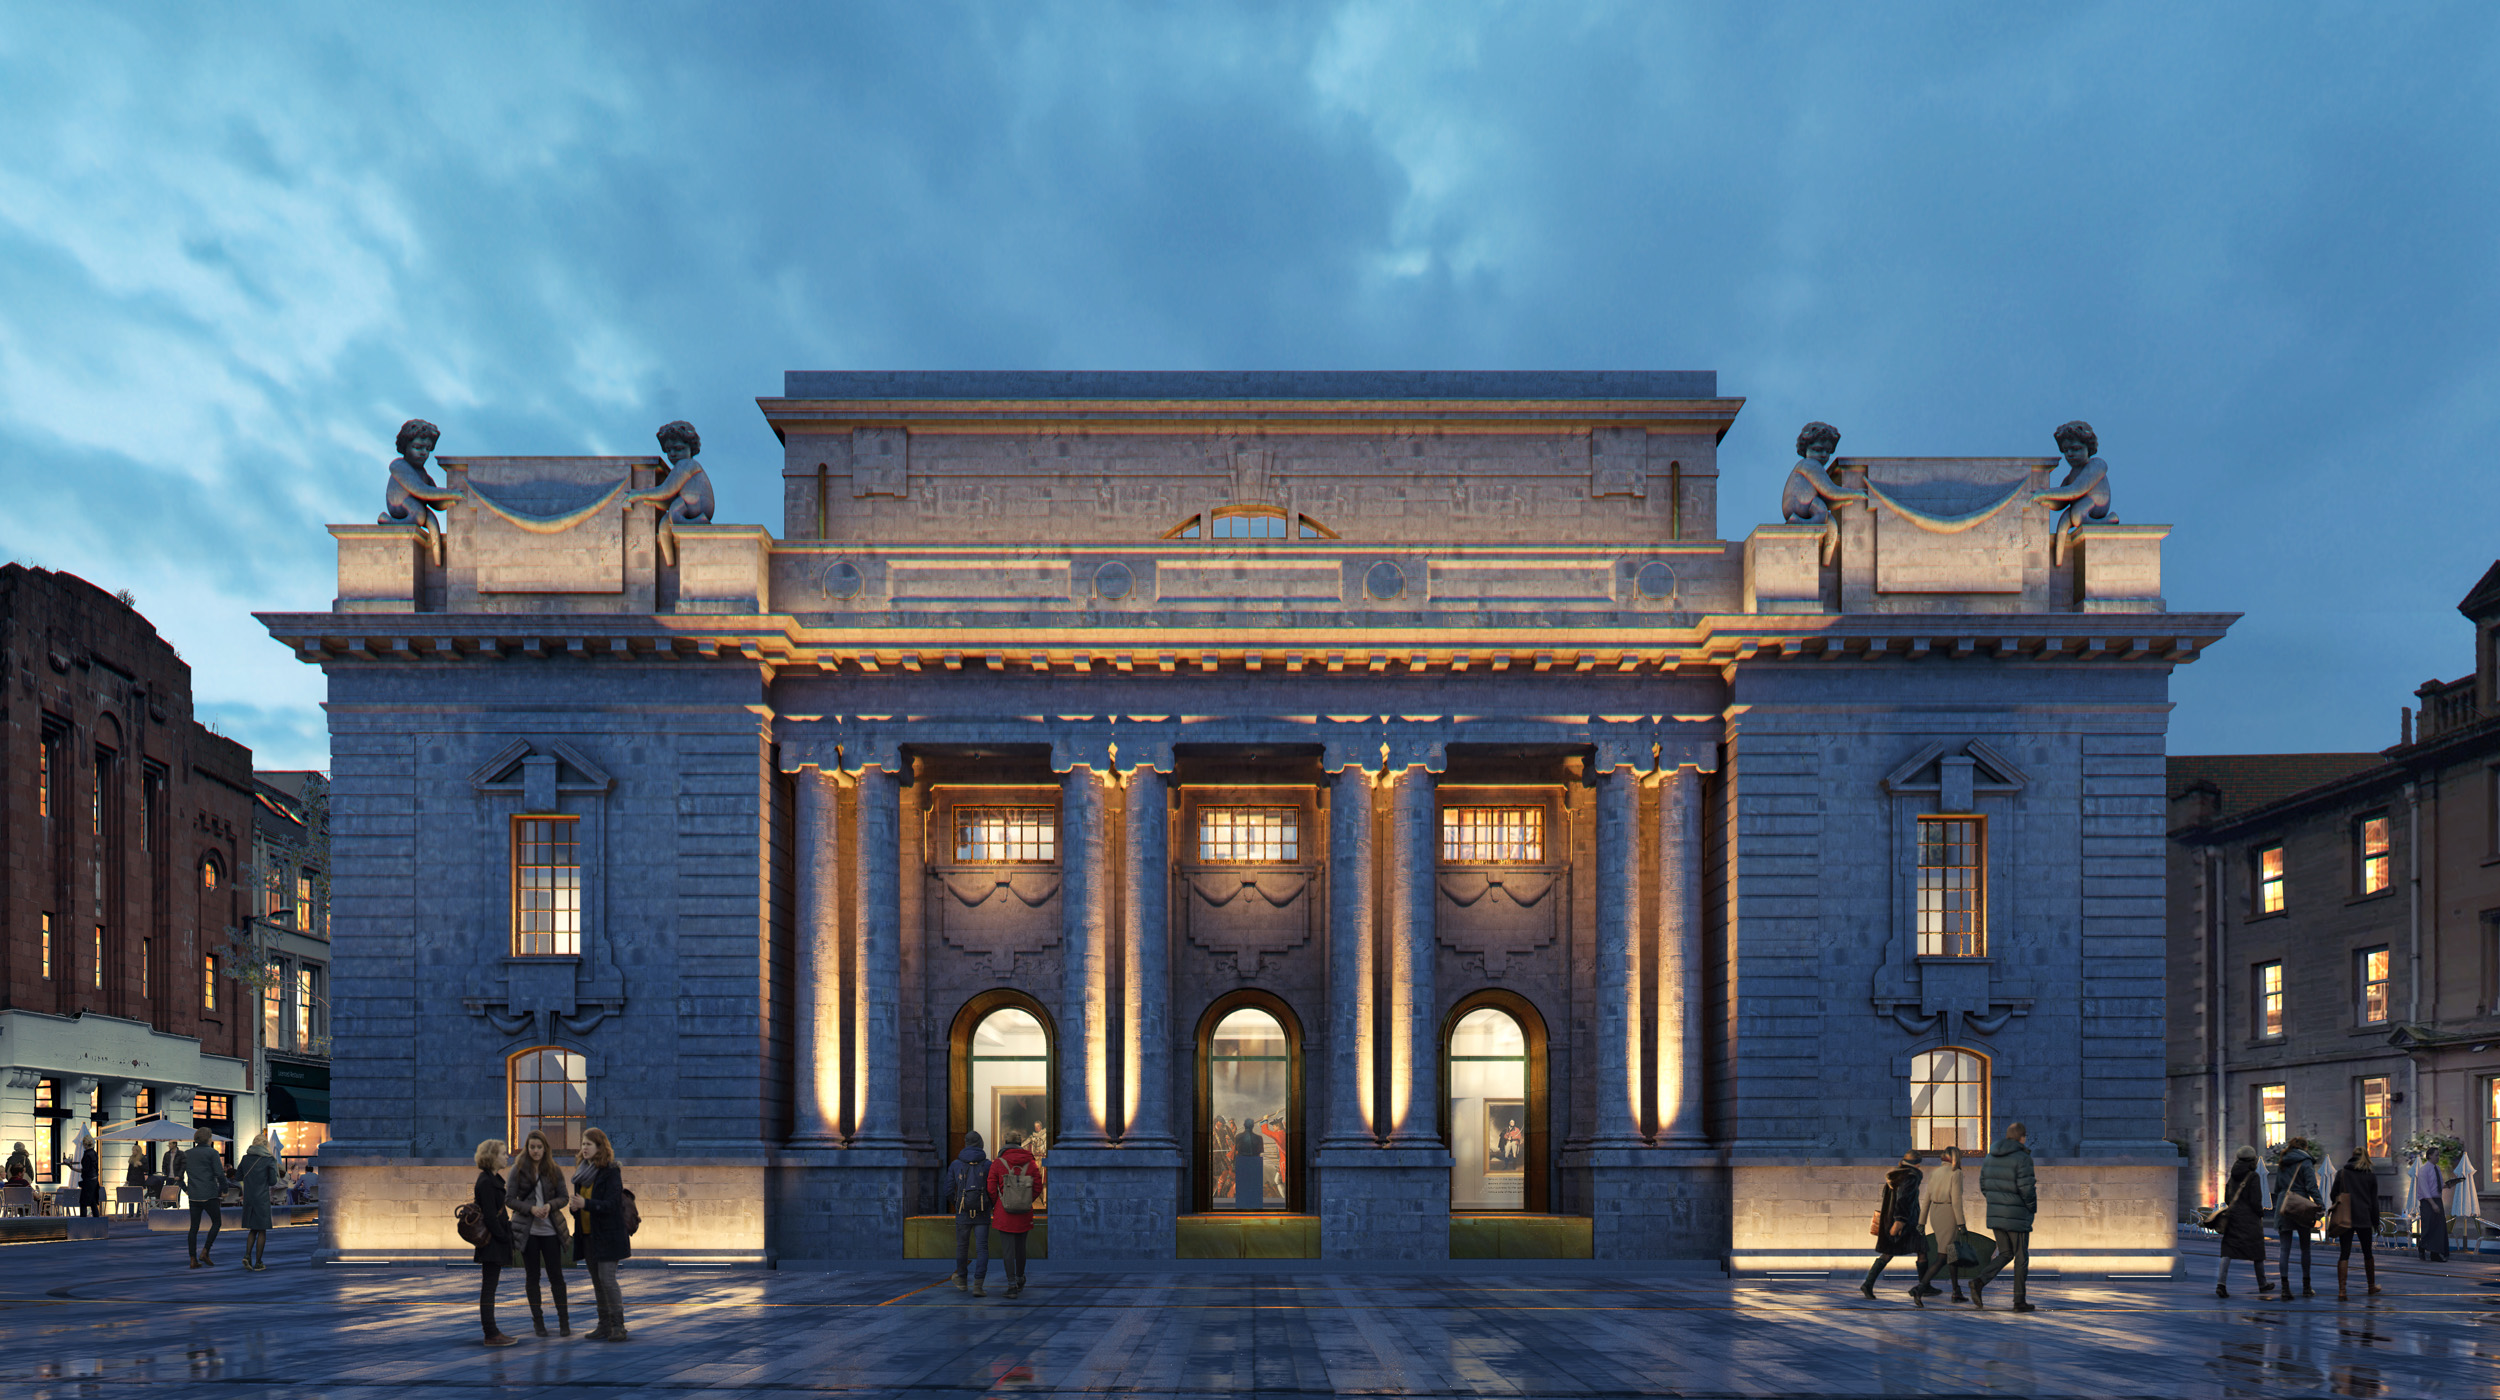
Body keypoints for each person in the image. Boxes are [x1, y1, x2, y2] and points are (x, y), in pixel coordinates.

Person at [505, 1129, 575, 1336]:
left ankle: (564, 1322)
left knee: (557, 1277)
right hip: (528, 1233)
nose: (536, 1151)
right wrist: (531, 1209)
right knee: (532, 1277)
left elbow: (564, 1197)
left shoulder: (554, 1169)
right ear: (527, 1149)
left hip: (550, 1231)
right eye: (532, 1147)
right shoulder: (517, 1170)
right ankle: (538, 1322)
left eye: (539, 1147)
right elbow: (509, 1199)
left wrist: (549, 1206)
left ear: (545, 1149)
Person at [1971, 1122, 2039, 1312]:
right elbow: (2027, 1188)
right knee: (2021, 1257)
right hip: (2016, 1215)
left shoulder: (1991, 1156)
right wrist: (2031, 1208)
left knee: (2005, 1253)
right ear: (2022, 1137)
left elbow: (1983, 1184)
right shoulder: (2022, 1157)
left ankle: (1979, 1282)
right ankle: (2019, 1301)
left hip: (1996, 1214)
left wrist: (1996, 1203)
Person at [575, 1128, 631, 1341]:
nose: (584, 1148)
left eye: (589, 1144)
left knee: (607, 1279)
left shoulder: (611, 1172)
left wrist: (585, 1204)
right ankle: (603, 1325)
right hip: (588, 1236)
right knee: (597, 1281)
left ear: (600, 1147)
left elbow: (611, 1204)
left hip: (608, 1236)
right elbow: (582, 1204)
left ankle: (619, 1326)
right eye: (582, 1144)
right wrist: (576, 1208)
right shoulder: (581, 1173)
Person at [986, 1130, 1046, 1300]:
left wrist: (999, 1202)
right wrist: (1026, 1200)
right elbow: (1037, 1187)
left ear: (1005, 1143)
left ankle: (1011, 1284)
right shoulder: (1031, 1162)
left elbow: (991, 1188)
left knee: (1007, 1251)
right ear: (1021, 1144)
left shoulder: (998, 1163)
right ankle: (1020, 1278)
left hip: (1004, 1213)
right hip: (1024, 1213)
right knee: (1021, 1248)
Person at [1860, 1151, 1927, 1299]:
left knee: (1920, 1250)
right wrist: (1900, 1221)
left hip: (1897, 1220)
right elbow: (1904, 1199)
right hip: (1906, 1222)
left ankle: (1924, 1285)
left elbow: (1888, 1197)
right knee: (1894, 1252)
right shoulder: (1911, 1176)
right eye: (1918, 1163)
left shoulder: (1894, 1175)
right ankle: (1868, 1283)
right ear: (1916, 1164)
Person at [1908, 1145, 1969, 1306]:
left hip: (1935, 1212)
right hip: (1948, 1213)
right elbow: (1956, 1201)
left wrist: (1922, 1222)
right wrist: (1962, 1224)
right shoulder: (1956, 1173)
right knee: (1943, 1256)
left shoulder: (1935, 1173)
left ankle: (1956, 1291)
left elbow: (1926, 1199)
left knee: (1952, 1252)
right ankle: (1920, 1289)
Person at [472, 1139, 519, 1347]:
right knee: (489, 1287)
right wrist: (504, 1237)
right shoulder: (486, 1182)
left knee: (490, 1286)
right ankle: (490, 1333)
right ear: (492, 1157)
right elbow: (491, 1217)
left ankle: (491, 1331)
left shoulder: (492, 1179)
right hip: (492, 1241)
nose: (506, 1156)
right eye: (502, 1153)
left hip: (494, 1240)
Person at [2212, 1146, 2271, 1298]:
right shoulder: (2253, 1176)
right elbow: (2255, 1200)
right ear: (2253, 1160)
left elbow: (2227, 1198)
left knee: (2227, 1252)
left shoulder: (2232, 1177)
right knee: (2257, 1252)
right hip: (2250, 1220)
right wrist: (2260, 1213)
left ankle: (2221, 1284)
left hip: (2233, 1219)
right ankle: (2262, 1284)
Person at [2273, 1137, 2325, 1297]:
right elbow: (2311, 1186)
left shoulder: (2282, 1161)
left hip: (2284, 1204)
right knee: (2305, 1248)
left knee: (2284, 1249)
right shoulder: (2306, 1161)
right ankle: (2306, 1287)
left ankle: (2284, 1288)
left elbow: (2277, 1188)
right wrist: (2320, 1205)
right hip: (2301, 1205)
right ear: (2305, 1147)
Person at [943, 1130, 992, 1296]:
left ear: (966, 1143)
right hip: (982, 1212)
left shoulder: (956, 1164)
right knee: (982, 1249)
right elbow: (993, 1189)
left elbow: (948, 1190)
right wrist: (988, 1204)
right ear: (980, 1143)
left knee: (962, 1247)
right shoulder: (987, 1164)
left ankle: (962, 1281)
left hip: (963, 1212)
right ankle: (978, 1286)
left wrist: (958, 1204)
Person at [2329, 1147, 2381, 1300]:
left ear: (2351, 1157)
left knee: (2344, 1253)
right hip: (2364, 1218)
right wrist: (2375, 1222)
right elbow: (2374, 1202)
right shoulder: (2370, 1176)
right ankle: (2371, 1286)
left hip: (2346, 1218)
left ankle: (2342, 1291)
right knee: (2367, 1253)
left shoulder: (2342, 1173)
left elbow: (2333, 1195)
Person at [181, 1127, 226, 1268]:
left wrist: (185, 1189)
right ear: (208, 1139)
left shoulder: (186, 1154)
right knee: (216, 1222)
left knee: (193, 1227)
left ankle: (192, 1259)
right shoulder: (212, 1153)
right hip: (209, 1194)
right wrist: (224, 1189)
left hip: (194, 1196)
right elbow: (219, 1173)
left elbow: (177, 1175)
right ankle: (205, 1251)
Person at [236, 1135, 279, 1271]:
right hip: (262, 1199)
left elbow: (237, 1176)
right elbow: (272, 1182)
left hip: (249, 1199)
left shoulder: (245, 1158)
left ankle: (247, 1255)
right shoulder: (269, 1160)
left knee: (253, 1229)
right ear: (265, 1145)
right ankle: (258, 1262)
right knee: (262, 1230)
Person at [2409, 1153, 2450, 1262]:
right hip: (2428, 1201)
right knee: (2429, 1226)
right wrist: (2433, 1204)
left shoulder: (2437, 1168)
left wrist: (2448, 1184)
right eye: (2436, 1155)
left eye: (2438, 1155)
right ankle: (2422, 1246)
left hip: (2437, 1199)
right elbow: (2424, 1188)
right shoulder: (2423, 1170)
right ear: (2430, 1156)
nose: (2438, 1157)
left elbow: (2438, 1185)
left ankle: (2435, 1253)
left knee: (2439, 1227)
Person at [1232, 1124, 1264, 1209]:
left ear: (1245, 1126)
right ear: (1252, 1126)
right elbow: (1260, 1152)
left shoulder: (1239, 1137)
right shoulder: (1258, 1138)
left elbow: (1235, 1151)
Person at [76, 1131, 102, 1217]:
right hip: (94, 1181)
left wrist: (73, 1168)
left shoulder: (87, 1155)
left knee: (83, 1203)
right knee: (93, 1202)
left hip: (88, 1182)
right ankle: (97, 1222)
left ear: (85, 1144)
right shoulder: (94, 1153)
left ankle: (83, 1222)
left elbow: (85, 1170)